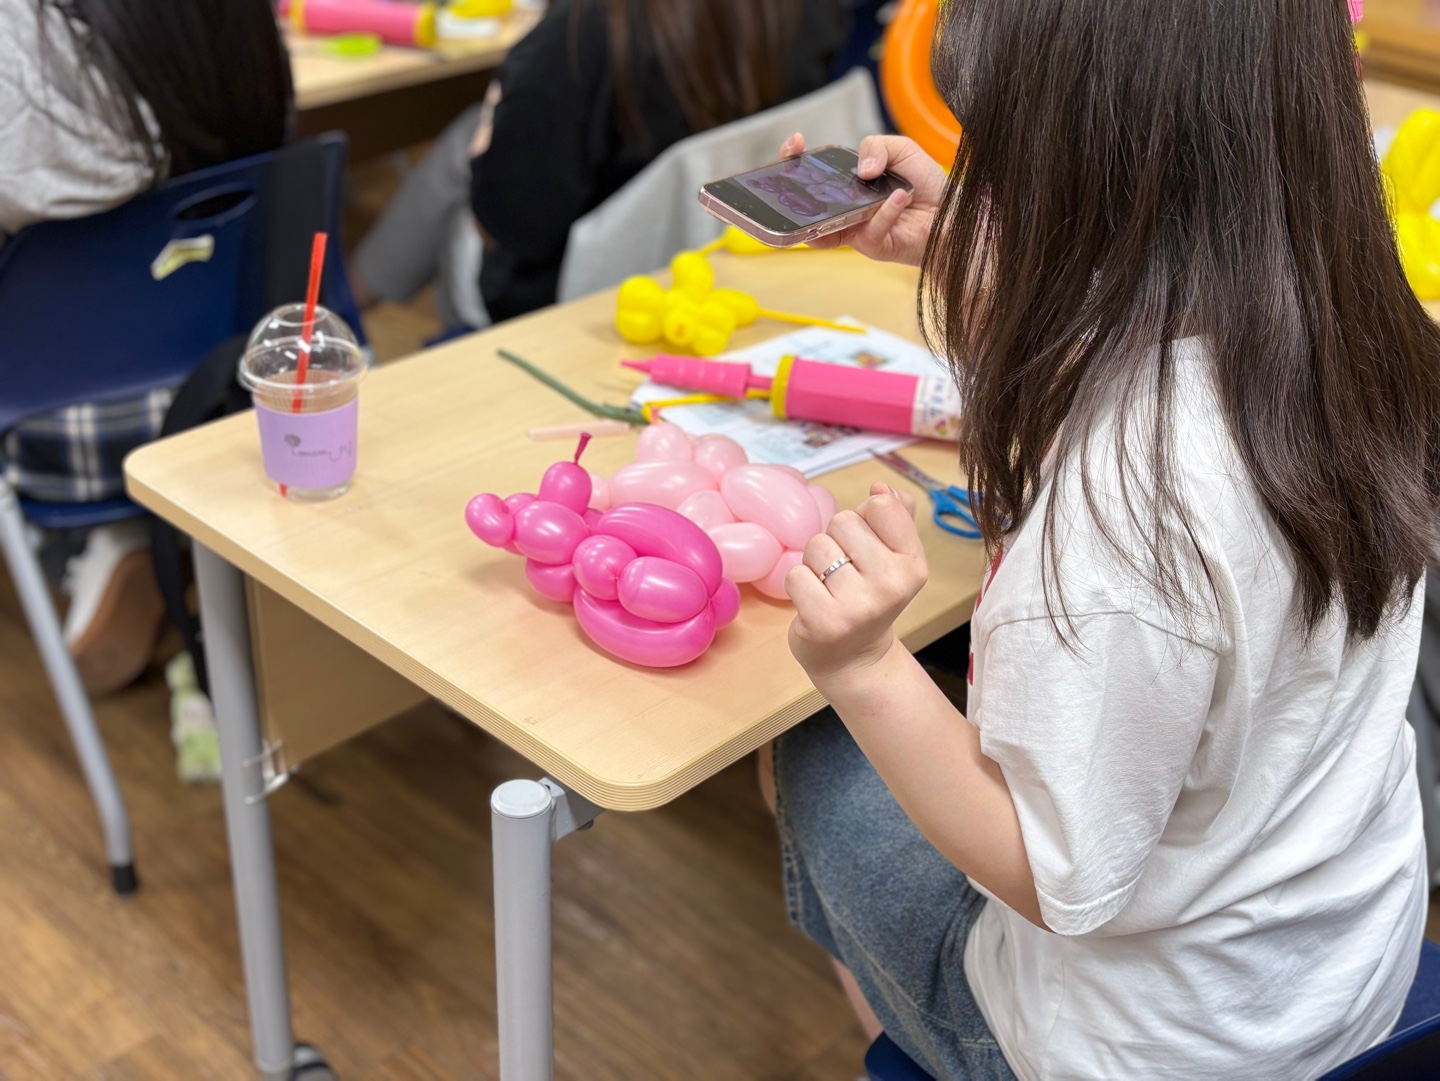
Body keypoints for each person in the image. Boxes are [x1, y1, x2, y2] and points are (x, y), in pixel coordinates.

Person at [765, 1, 1437, 1078]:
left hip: (1158, 1049)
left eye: (997, 145)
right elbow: (1131, 346)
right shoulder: (1360, 323)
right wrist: (974, 253)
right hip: (1340, 971)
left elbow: (1057, 876)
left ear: (1073, 167)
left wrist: (862, 666)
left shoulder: (1128, 506)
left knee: (805, 750)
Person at [0, 0, 291, 694]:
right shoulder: (236, 25)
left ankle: (89, 542)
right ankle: (137, 533)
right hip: (239, 383)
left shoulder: (20, 45)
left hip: (58, 422)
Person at [352, 0, 849, 328]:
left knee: (467, 150)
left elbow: (510, 228)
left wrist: (489, 145)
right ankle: (354, 295)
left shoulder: (575, 41)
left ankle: (351, 301)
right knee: (474, 137)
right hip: (722, 259)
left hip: (566, 300)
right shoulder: (804, 13)